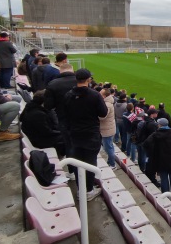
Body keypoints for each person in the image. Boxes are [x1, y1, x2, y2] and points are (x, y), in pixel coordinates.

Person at [64, 68, 108, 201]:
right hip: (90, 134)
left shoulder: (68, 95)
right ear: (88, 79)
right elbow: (103, 113)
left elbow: (64, 115)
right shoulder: (94, 95)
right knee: (89, 162)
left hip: (75, 134)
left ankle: (82, 189)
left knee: (78, 163)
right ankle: (88, 191)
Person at [44, 63, 77, 178]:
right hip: (82, 120)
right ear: (72, 70)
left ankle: (72, 172)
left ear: (60, 71)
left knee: (69, 145)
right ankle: (86, 173)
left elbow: (48, 106)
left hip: (64, 120)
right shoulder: (81, 82)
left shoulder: (52, 84)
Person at [20, 90, 65, 156]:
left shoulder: (30, 107)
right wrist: (62, 132)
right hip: (39, 140)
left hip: (35, 136)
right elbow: (47, 132)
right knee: (67, 137)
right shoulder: (38, 114)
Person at [144, 118, 171, 194]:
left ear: (160, 125)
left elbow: (146, 144)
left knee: (164, 179)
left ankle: (166, 195)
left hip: (161, 162)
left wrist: (153, 153)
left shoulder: (155, 135)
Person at [99, 88, 117, 170]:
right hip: (108, 128)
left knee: (108, 148)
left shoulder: (107, 104)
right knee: (110, 147)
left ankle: (112, 164)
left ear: (104, 95)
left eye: (100, 93)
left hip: (107, 129)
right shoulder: (107, 103)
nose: (99, 94)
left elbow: (102, 116)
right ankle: (110, 162)